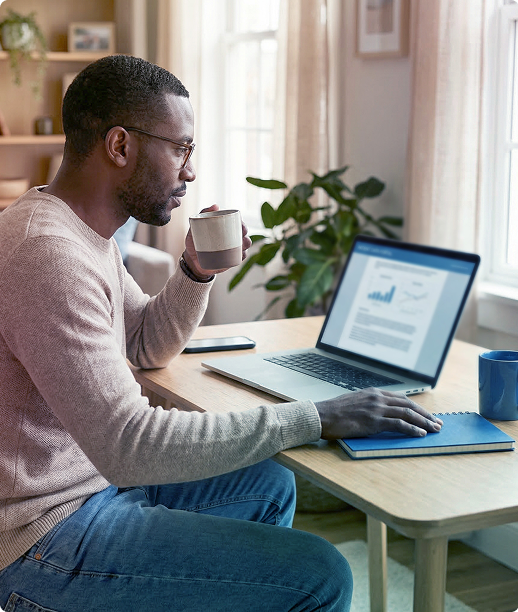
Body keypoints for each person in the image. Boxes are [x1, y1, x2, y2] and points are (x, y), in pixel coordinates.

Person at [0, 55, 442, 612]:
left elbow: (144, 344)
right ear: (120, 146)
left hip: (80, 488)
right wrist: (316, 417)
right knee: (319, 574)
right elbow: (129, 446)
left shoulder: (85, 235)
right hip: (38, 540)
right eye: (181, 148)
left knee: (268, 485)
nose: (189, 171)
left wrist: (194, 272)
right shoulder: (48, 252)